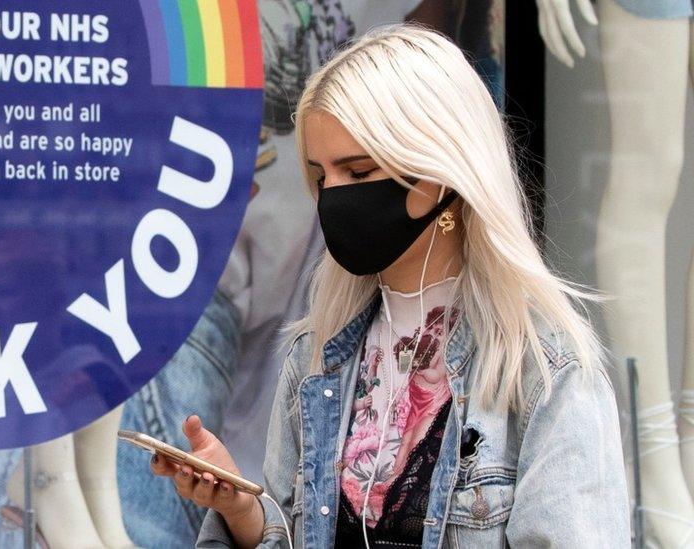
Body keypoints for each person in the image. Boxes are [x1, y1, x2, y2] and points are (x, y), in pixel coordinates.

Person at [149, 22, 630, 548]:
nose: (333, 197)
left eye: (356, 173)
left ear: (438, 173)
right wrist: (243, 511)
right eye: (321, 175)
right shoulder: (315, 357)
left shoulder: (543, 371)